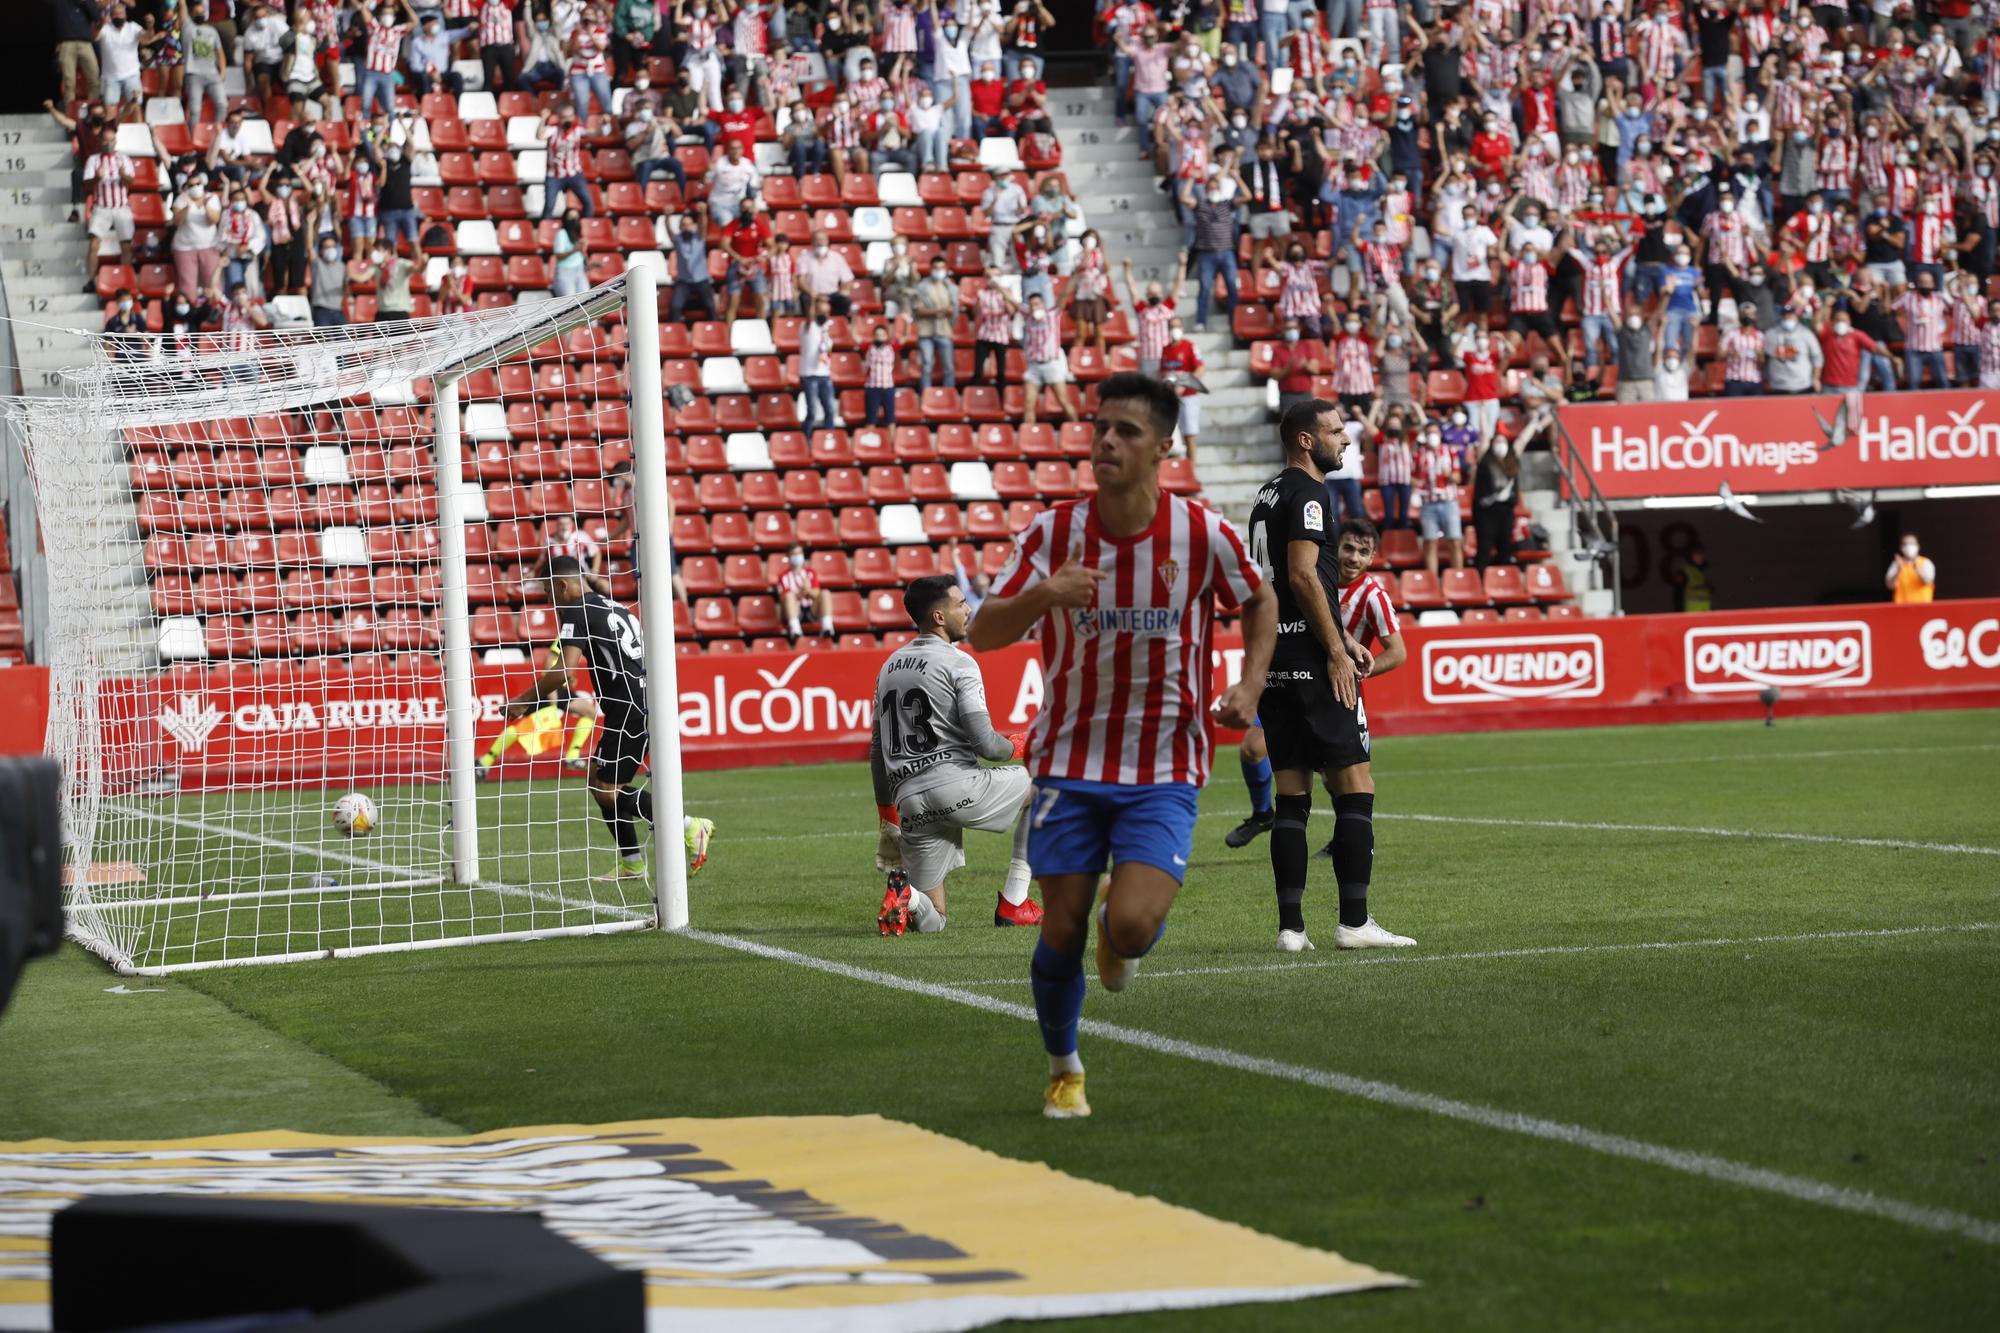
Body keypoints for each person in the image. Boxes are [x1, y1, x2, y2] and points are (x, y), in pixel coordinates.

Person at [966, 372, 1274, 1120]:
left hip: (1166, 762)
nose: (1106, 440)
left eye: (1126, 431)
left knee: (1130, 925)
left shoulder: (1200, 533)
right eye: (1101, 426)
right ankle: (1064, 1066)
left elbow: (1261, 597)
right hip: (1069, 761)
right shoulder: (1053, 533)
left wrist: (1252, 681)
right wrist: (1045, 596)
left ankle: (1119, 929)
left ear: (1164, 446)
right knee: (1059, 930)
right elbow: (981, 631)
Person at [1246, 399, 1414, 953]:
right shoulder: (1309, 494)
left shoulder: (1266, 496)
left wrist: (1343, 636)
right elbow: (1301, 574)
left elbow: (1275, 583)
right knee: (1355, 787)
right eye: (1335, 431)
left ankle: (1291, 930)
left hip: (1273, 658)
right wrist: (1336, 652)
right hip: (1310, 662)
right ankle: (1354, 922)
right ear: (1304, 440)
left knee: (1292, 792)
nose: (1345, 440)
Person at [503, 555, 716, 880]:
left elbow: (563, 672)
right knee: (598, 780)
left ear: (562, 585)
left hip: (629, 708)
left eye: (549, 593)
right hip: (642, 702)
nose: (549, 601)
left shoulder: (578, 610)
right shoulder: (613, 605)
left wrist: (522, 701)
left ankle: (690, 826)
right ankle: (631, 862)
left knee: (606, 788)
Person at [870, 576, 1045, 936]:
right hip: (955, 786)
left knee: (933, 919)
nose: (968, 610)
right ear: (938, 616)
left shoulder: (888, 668)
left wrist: (888, 819)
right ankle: (1015, 902)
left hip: (910, 802)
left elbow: (877, 751)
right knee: (1052, 783)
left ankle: (909, 897)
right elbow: (987, 746)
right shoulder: (959, 663)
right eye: (960, 603)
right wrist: (1028, 742)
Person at [82, 132, 136, 291]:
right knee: (94, 244)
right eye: (105, 140)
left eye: (111, 140)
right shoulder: (93, 160)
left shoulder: (124, 159)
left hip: (121, 206)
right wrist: (97, 178)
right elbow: (86, 185)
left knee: (126, 245)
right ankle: (91, 280)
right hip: (101, 207)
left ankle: (125, 281)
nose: (108, 143)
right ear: (100, 141)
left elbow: (132, 181)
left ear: (116, 141)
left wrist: (123, 175)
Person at [1416, 419, 1466, 578]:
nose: (1432, 435)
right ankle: (1432, 581)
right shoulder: (1419, 454)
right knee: (1430, 544)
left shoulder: (1450, 451)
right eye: (1429, 433)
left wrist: (1449, 474)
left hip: (1449, 502)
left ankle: (1458, 578)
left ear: (1440, 434)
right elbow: (1411, 477)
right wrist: (1416, 483)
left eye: (1435, 432)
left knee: (1455, 542)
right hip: (1428, 504)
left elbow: (1458, 477)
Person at [1156, 317, 1204, 461]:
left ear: (1182, 328)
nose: (1174, 329)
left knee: (1189, 436)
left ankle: (1191, 471)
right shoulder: (1165, 350)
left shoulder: (1189, 346)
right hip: (1171, 398)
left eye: (1177, 326)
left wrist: (1185, 384)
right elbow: (1162, 372)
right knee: (1168, 437)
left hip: (1188, 397)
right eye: (1171, 326)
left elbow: (1201, 368)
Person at [1471, 437, 1518, 569]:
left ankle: (1503, 580)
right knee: (1484, 548)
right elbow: (1484, 436)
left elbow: (1523, 440)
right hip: (1486, 513)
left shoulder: (1512, 463)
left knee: (1505, 548)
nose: (1500, 445)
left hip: (1506, 511)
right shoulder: (1485, 463)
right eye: (1497, 442)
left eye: (1503, 442)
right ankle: (1480, 581)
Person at [777, 540, 834, 637]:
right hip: (795, 611)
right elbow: (783, 598)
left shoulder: (810, 572)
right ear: (788, 556)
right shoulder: (783, 576)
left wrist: (807, 589)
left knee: (825, 593)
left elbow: (816, 593)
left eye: (799, 553)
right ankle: (795, 630)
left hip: (812, 610)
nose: (797, 556)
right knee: (789, 596)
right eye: (794, 554)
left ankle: (827, 627)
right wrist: (801, 593)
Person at [799, 296, 838, 433]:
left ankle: (829, 438)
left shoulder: (825, 329)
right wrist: (814, 300)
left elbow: (827, 349)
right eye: (821, 311)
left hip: (824, 374)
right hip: (809, 375)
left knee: (830, 410)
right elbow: (810, 317)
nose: (825, 314)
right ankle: (806, 440)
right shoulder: (807, 326)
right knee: (812, 412)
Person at [862, 322, 901, 428]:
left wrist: (906, 323)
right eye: (877, 334)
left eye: (882, 334)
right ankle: (869, 442)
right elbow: (855, 337)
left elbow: (905, 337)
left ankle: (892, 444)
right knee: (871, 420)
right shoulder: (868, 347)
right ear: (874, 336)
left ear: (886, 336)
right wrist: (855, 320)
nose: (880, 337)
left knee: (891, 419)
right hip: (872, 386)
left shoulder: (891, 347)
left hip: (887, 386)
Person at [1887, 534, 1937, 604]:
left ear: (1918, 546)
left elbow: (1928, 581)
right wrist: (1897, 571)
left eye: (1912, 543)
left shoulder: (1926, 562)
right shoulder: (1896, 564)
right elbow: (1889, 586)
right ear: (1901, 547)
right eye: (1905, 544)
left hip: (1923, 606)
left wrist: (1918, 570)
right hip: (1902, 607)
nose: (1908, 546)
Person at [1667, 543, 1713, 613]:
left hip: (1706, 610)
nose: (1699, 556)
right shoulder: (1684, 573)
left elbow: (1711, 589)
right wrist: (1679, 611)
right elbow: (1678, 594)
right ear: (1690, 556)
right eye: (1696, 554)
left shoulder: (1706, 571)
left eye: (1701, 553)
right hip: (1691, 612)